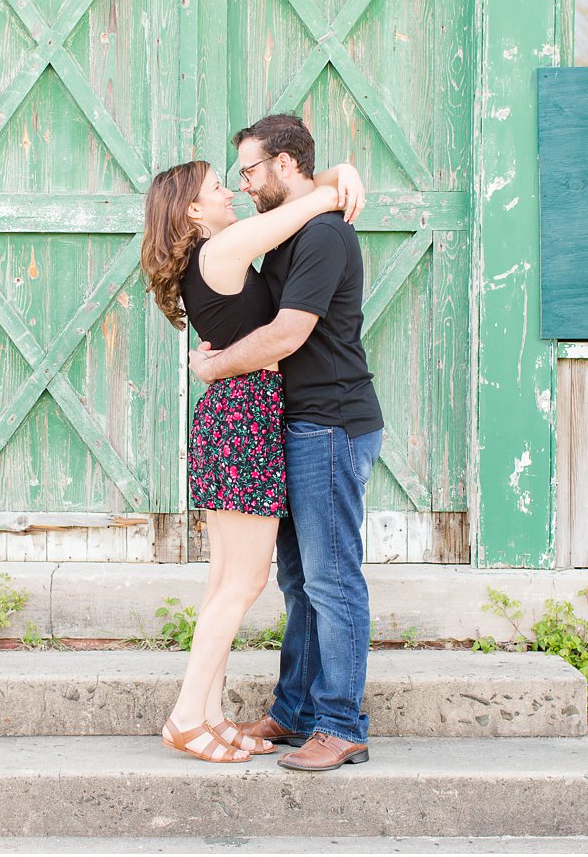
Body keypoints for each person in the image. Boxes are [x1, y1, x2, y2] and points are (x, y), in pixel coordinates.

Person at [141, 156, 364, 763]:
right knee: (244, 582)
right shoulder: (221, 250)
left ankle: (207, 714)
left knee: (224, 582)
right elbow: (306, 206)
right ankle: (188, 717)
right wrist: (338, 183)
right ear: (193, 210)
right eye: (219, 187)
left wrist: (340, 167)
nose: (230, 193)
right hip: (243, 416)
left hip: (237, 415)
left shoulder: (210, 256)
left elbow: (292, 201)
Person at [189, 114, 384, 772]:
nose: (243, 184)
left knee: (331, 580)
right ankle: (296, 710)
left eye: (250, 169)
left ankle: (340, 722)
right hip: (296, 423)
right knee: (299, 580)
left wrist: (215, 367)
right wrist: (338, 177)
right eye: (237, 174)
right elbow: (315, 185)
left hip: (329, 422)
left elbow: (286, 335)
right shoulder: (292, 228)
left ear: (286, 165)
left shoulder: (324, 235)